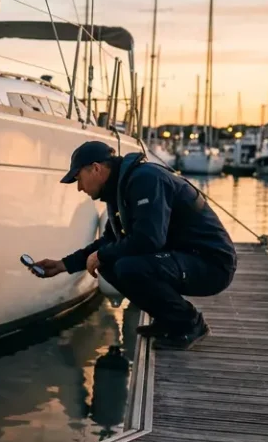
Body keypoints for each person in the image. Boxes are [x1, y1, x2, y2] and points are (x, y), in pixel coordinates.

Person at [31, 141, 236, 349]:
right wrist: (63, 265)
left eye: (78, 178)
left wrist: (101, 255)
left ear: (95, 169)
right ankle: (168, 319)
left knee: (128, 267)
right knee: (110, 264)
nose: (79, 187)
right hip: (185, 258)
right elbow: (110, 240)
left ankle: (189, 324)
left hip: (212, 264)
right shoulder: (119, 188)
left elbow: (149, 239)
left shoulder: (146, 179)